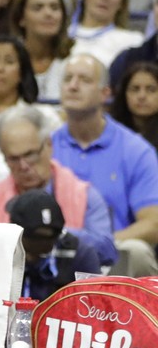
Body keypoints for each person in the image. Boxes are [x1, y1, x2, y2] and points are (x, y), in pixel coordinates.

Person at [51, 54, 158, 276]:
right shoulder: (46, 146)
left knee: (136, 250)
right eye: (68, 78)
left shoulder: (135, 150)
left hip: (114, 255)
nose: (73, 86)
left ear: (105, 93)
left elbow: (153, 224)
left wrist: (97, 244)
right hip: (53, 249)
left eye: (84, 80)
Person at [0, 102, 116, 266]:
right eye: (14, 158)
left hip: (67, 286)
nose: (23, 166)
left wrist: (52, 232)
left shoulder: (83, 195)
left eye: (30, 154)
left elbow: (107, 251)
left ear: (49, 145)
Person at [12, 0, 74, 102]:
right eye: (38, 8)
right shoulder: (9, 57)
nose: (48, 13)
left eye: (54, 7)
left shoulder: (75, 58)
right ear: (21, 18)